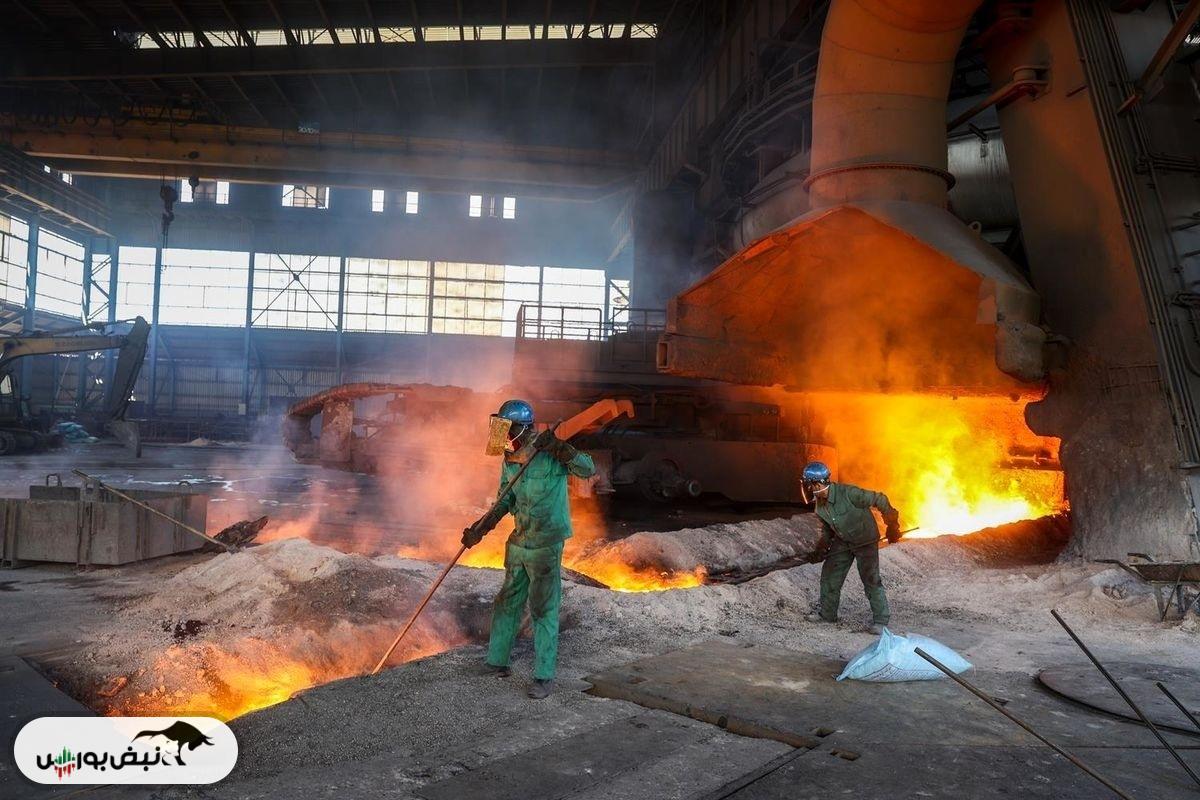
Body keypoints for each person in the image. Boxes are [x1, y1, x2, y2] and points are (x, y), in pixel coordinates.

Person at [461, 399, 595, 699]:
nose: (504, 436)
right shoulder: (510, 457)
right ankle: (497, 661)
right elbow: (504, 499)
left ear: (522, 429)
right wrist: (480, 528)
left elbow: (587, 469)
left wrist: (562, 449)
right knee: (506, 602)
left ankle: (544, 676)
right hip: (520, 542)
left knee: (542, 609)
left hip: (546, 544)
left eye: (508, 429)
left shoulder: (549, 453)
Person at [800, 461, 903, 635]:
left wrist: (892, 525)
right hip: (843, 540)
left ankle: (880, 621)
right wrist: (821, 549)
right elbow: (827, 530)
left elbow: (880, 498)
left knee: (870, 579)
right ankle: (828, 615)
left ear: (817, 484)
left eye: (808, 484)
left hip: (865, 539)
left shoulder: (849, 493)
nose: (806, 488)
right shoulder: (819, 506)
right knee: (829, 575)